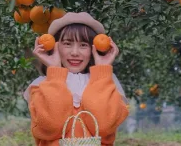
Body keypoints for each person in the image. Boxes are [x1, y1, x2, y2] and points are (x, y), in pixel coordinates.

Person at [23, 12, 129, 145]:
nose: (74, 52)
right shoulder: (42, 85)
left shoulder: (107, 82)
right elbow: (52, 127)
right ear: (55, 46)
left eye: (83, 45)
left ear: (93, 49)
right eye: (67, 43)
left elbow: (103, 127)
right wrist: (55, 72)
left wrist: (102, 72)